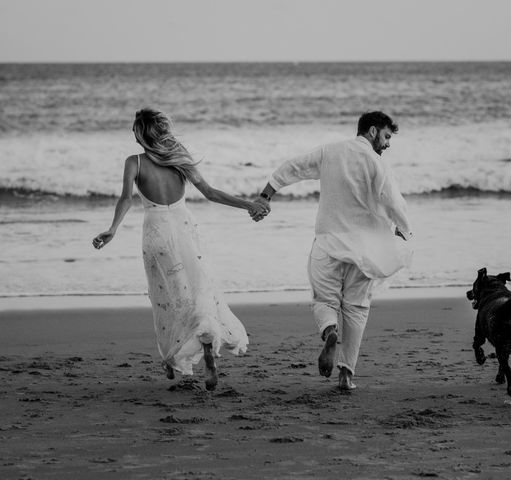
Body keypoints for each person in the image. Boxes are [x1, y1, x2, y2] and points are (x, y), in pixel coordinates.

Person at [92, 108, 269, 390]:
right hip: (185, 229)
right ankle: (207, 343)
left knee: (168, 298)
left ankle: (174, 357)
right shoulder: (178, 157)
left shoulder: (134, 162)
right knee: (199, 291)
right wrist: (249, 204)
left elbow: (126, 199)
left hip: (157, 234)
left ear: (140, 133)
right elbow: (210, 193)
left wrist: (112, 229)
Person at [255, 111, 412, 390]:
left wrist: (266, 195)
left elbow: (294, 167)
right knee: (356, 309)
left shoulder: (330, 152)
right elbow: (393, 202)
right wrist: (404, 230)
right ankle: (346, 375)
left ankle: (329, 331)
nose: (387, 144)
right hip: (364, 252)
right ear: (373, 131)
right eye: (387, 136)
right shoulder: (378, 164)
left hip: (327, 244)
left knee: (324, 300)